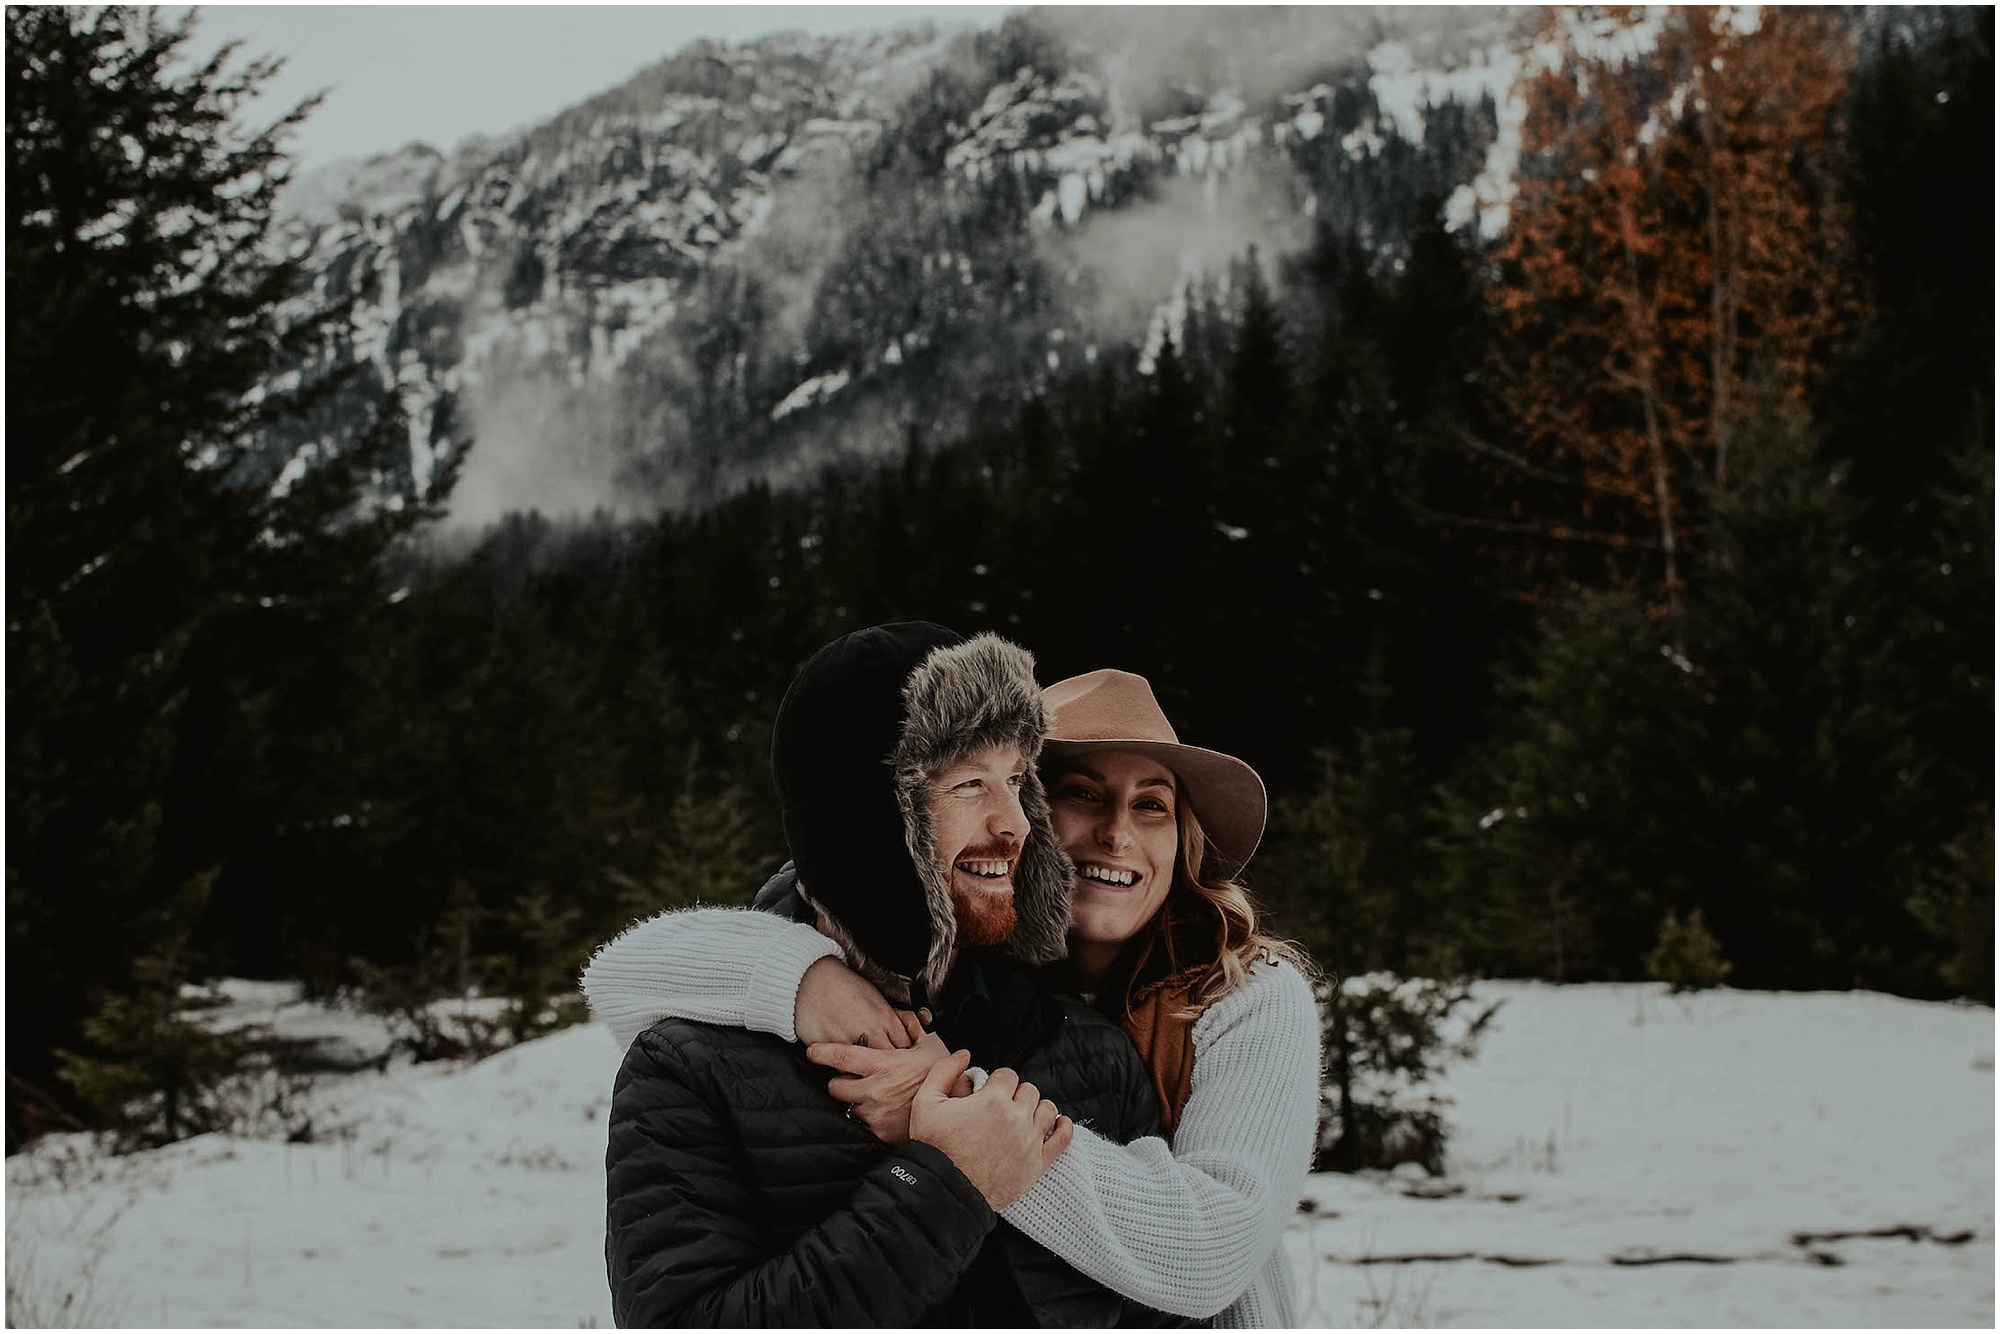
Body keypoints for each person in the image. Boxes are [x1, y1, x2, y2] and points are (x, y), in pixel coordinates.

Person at [587, 664, 1322, 1326]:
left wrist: (960, 1118)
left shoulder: (1245, 996)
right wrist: (800, 976)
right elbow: (625, 972)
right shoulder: (991, 959)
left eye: (1152, 805)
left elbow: (1211, 1255)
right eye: (1080, 794)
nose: (1117, 835)